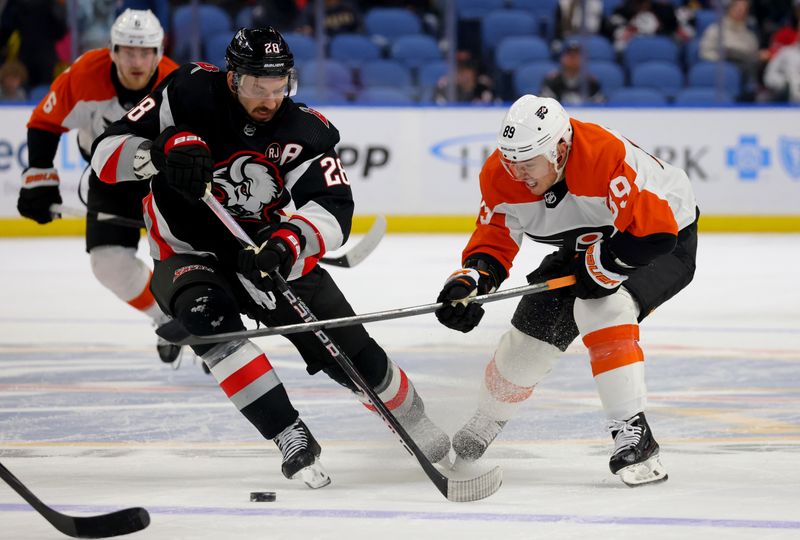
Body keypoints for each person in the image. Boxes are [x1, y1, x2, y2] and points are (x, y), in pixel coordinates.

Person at [90, 26, 450, 487]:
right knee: (210, 323)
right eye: (258, 86)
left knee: (354, 352)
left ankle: (418, 425)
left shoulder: (305, 129)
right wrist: (157, 153)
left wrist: (287, 243)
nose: (269, 98)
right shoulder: (186, 92)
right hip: (185, 249)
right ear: (232, 77)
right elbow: (105, 154)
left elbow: (334, 209)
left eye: (279, 87)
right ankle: (288, 433)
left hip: (261, 250)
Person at [434, 95, 699, 486]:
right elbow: (495, 238)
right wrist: (472, 280)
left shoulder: (602, 155)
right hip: (589, 241)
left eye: (527, 164)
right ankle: (488, 418)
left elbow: (652, 233)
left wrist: (604, 265)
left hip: (660, 240)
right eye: (511, 162)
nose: (517, 173)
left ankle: (633, 432)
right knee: (532, 330)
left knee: (602, 307)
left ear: (560, 150)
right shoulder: (500, 173)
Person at [16, 9, 181, 363]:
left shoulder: (178, 83)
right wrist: (39, 179)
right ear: (112, 50)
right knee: (109, 264)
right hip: (111, 178)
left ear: (159, 52)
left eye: (145, 52)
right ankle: (167, 318)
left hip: (164, 181)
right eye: (128, 51)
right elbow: (45, 122)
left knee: (190, 258)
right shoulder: (83, 75)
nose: (136, 61)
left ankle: (201, 309)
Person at [540, 40, 604, 105]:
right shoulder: (551, 81)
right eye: (569, 54)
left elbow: (600, 107)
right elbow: (544, 105)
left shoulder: (591, 83)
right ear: (562, 58)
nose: (573, 58)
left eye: (576, 54)